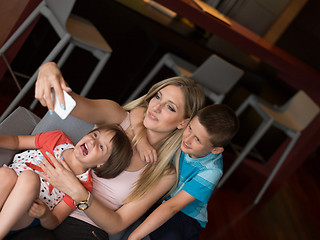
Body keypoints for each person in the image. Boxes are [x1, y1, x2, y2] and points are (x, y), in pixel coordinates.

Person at [26, 62, 206, 239]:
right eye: (158, 97)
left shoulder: (164, 173)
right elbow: (64, 101)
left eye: (170, 107)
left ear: (182, 123)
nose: (156, 107)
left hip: (84, 226)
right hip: (46, 201)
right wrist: (49, 68)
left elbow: (116, 224)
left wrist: (77, 192)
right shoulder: (116, 116)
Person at [128, 104, 240, 240]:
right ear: (188, 121)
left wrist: (135, 237)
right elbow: (138, 110)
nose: (187, 139)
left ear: (215, 150)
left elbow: (172, 207)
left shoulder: (212, 171)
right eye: (190, 128)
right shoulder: (182, 129)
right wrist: (142, 142)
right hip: (160, 195)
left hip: (184, 214)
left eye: (197, 139)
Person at [0, 125, 132, 239]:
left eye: (101, 147)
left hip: (24, 212)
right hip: (5, 186)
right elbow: (17, 141)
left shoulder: (82, 185)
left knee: (29, 178)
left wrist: (45, 214)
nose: (92, 142)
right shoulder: (58, 139)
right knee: (6, 174)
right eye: (95, 135)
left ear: (102, 164)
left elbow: (55, 220)